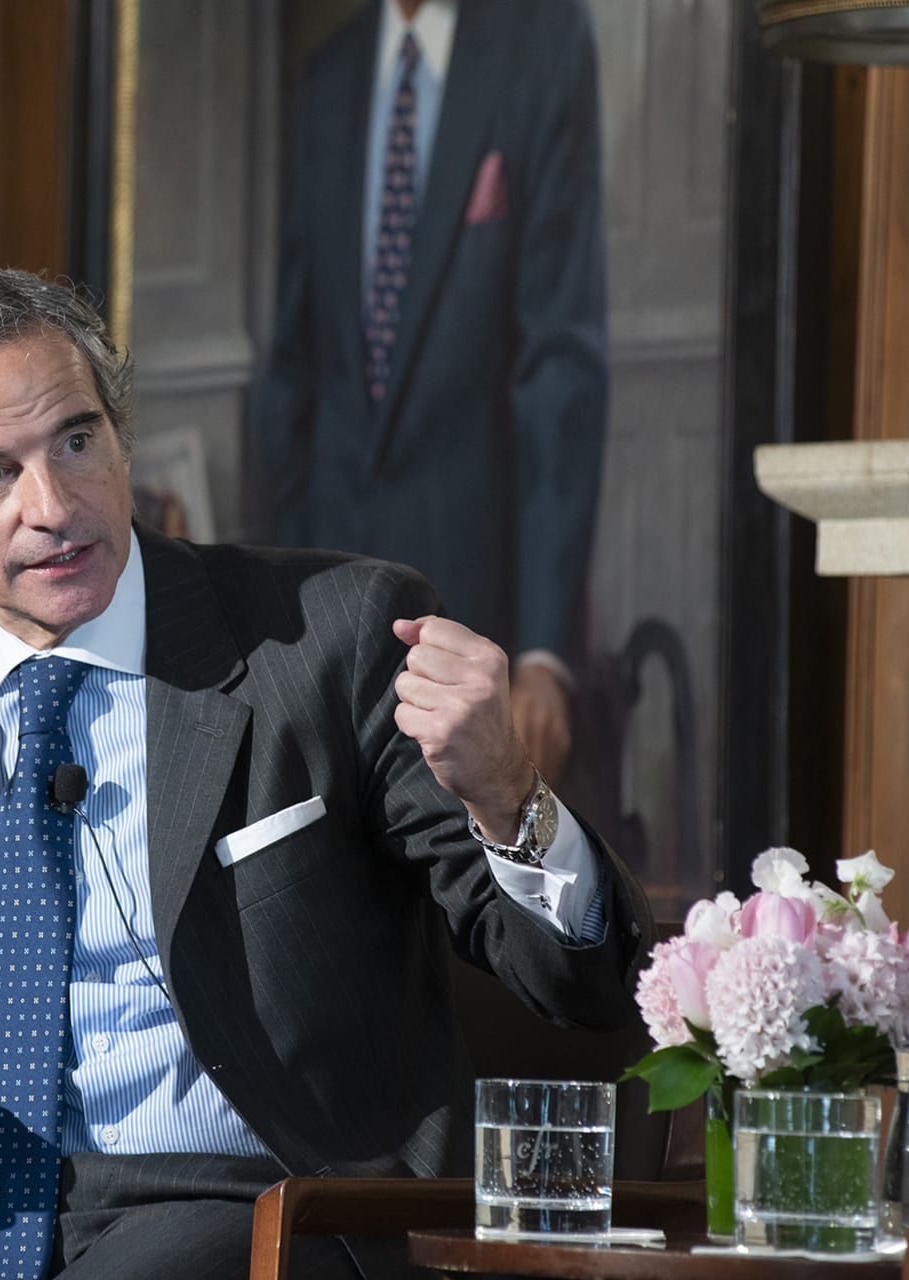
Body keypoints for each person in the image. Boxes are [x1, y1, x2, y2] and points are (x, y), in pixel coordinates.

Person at [0, 269, 649, 1280]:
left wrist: (504, 790)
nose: (53, 506)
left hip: (269, 1201)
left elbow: (590, 983)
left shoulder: (331, 637)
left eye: (76, 442)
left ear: (121, 435)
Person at [251, 0, 607, 781]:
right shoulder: (328, 79)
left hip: (478, 611)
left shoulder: (540, 46)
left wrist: (543, 651)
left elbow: (559, 368)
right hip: (325, 616)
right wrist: (269, 609)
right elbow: (294, 368)